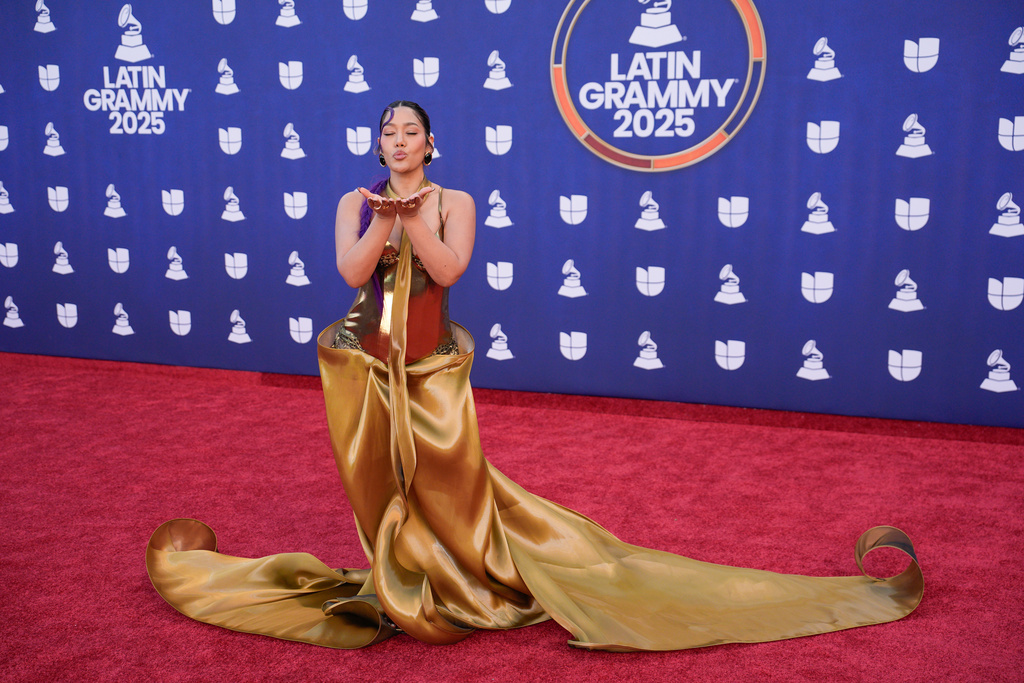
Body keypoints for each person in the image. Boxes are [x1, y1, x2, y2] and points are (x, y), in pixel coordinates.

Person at [146, 100, 922, 651]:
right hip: (365, 368)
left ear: (431, 142)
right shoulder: (358, 201)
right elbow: (350, 271)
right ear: (378, 143)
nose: (397, 140)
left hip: (432, 370)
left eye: (410, 130)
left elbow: (451, 267)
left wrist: (412, 215)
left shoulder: (456, 201)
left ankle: (469, 579)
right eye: (388, 131)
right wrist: (381, 216)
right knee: (379, 481)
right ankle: (404, 571)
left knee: (454, 481)